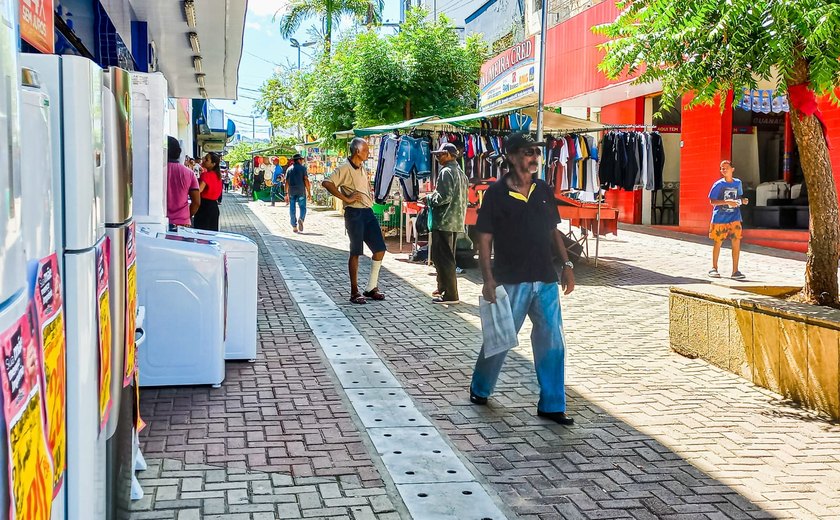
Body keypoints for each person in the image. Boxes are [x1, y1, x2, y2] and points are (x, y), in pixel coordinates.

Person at [469, 132, 576, 426]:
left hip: (545, 278)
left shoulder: (542, 188)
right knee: (501, 340)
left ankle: (552, 404)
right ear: (513, 156)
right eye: (529, 153)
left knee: (553, 341)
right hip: (511, 279)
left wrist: (566, 263)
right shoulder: (495, 194)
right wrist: (488, 278)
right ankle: (480, 388)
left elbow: (554, 228)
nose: (534, 158)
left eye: (536, 154)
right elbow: (485, 237)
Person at [322, 138, 386, 304]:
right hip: (354, 213)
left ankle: (371, 287)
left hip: (367, 211)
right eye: (365, 150)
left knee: (379, 249)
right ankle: (354, 291)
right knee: (356, 252)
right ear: (357, 151)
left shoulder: (362, 167)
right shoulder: (344, 167)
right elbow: (327, 182)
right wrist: (346, 198)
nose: (368, 153)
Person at [427, 143, 468, 304]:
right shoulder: (461, 173)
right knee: (446, 257)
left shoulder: (446, 172)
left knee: (443, 258)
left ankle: (451, 294)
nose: (438, 157)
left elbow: (444, 197)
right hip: (455, 221)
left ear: (450, 155)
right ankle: (443, 287)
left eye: (441, 154)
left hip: (444, 221)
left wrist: (429, 198)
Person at [708, 160, 749, 280]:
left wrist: (743, 201)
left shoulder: (738, 183)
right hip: (720, 218)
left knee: (736, 241)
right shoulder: (718, 185)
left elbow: (738, 197)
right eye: (722, 168)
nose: (724, 170)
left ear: (732, 169)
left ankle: (735, 271)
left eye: (726, 168)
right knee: (718, 242)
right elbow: (712, 201)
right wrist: (726, 202)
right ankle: (714, 268)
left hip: (735, 217)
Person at [166, 137, 201, 229]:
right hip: (182, 223)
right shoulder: (189, 173)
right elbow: (196, 202)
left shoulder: (155, 172)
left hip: (159, 221)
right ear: (179, 151)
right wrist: (186, 216)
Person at [194, 152, 224, 231]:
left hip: (204, 207)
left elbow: (198, 190)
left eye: (206, 160)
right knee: (211, 235)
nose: (203, 160)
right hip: (214, 207)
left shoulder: (206, 175)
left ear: (213, 164)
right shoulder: (218, 176)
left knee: (201, 235)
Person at [285, 153, 311, 233]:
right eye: (301, 160)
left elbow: (287, 182)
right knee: (302, 207)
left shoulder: (289, 169)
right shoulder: (303, 168)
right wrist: (309, 191)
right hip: (301, 191)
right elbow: (306, 180)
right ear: (299, 160)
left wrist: (286, 193)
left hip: (292, 192)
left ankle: (294, 226)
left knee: (292, 209)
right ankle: (301, 219)